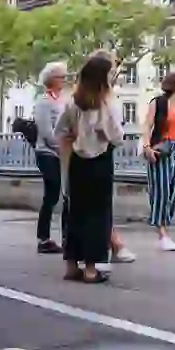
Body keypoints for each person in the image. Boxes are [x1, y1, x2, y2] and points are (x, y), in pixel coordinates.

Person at [55, 51, 124, 284]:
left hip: (77, 162)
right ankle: (92, 269)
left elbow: (60, 132)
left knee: (75, 212)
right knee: (98, 214)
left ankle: (71, 264)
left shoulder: (73, 102)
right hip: (100, 162)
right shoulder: (106, 104)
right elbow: (117, 137)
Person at [140, 70, 175, 252]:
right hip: (161, 149)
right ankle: (162, 233)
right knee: (160, 190)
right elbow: (147, 125)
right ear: (173, 84)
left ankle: (164, 228)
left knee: (172, 191)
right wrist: (147, 147)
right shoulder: (159, 103)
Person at [32, 62, 68, 254]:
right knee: (52, 192)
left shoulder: (62, 100)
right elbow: (46, 132)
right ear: (52, 79)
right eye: (62, 77)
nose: (64, 80)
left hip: (61, 153)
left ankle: (63, 237)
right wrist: (61, 148)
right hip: (47, 153)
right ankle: (43, 238)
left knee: (60, 194)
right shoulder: (43, 101)